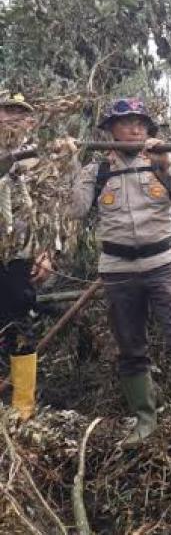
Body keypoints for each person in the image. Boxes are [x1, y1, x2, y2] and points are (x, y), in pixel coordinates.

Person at [70, 98, 171, 447]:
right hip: (117, 269)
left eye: (141, 122)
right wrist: (68, 165)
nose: (135, 128)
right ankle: (144, 421)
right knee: (130, 346)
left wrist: (166, 165)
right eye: (125, 123)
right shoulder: (96, 170)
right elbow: (75, 212)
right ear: (110, 130)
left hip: (163, 264)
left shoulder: (163, 159)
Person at [0, 93, 52, 420]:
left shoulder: (38, 159)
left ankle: (23, 405)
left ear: (31, 122)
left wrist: (46, 251)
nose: (14, 118)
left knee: (20, 322)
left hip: (20, 253)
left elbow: (52, 208)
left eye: (22, 113)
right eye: (8, 111)